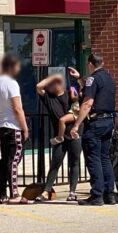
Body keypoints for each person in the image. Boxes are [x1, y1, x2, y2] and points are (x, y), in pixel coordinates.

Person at [70, 53, 116, 206]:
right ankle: (109, 194)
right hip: (109, 120)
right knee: (105, 158)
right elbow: (95, 90)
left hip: (96, 122)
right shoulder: (109, 78)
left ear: (90, 64)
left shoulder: (93, 79)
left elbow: (88, 102)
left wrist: (76, 124)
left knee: (93, 157)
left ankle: (97, 195)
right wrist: (79, 79)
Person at [35, 73, 82, 201]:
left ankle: (72, 192)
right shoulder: (49, 98)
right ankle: (46, 191)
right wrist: (51, 78)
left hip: (73, 134)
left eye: (51, 84)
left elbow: (81, 102)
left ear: (58, 84)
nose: (49, 86)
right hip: (59, 136)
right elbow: (39, 87)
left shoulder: (70, 94)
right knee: (55, 163)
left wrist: (76, 78)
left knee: (74, 162)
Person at [0, 54, 29, 204]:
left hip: (1, 126)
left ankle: (2, 193)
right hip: (13, 127)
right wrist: (25, 128)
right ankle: (14, 193)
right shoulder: (11, 83)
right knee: (13, 161)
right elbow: (18, 108)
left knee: (5, 160)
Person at [50, 76, 83, 145]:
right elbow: (73, 98)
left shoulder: (87, 90)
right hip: (75, 110)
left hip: (78, 112)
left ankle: (60, 137)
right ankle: (73, 134)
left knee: (62, 120)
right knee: (62, 120)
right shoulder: (73, 88)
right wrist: (77, 95)